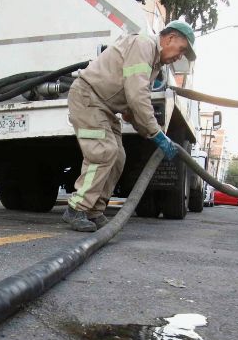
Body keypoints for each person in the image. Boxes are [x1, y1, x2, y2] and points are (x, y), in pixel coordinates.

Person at [63, 20, 196, 232]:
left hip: (105, 107)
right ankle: (76, 207)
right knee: (104, 152)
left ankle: (93, 210)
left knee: (117, 157)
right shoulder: (144, 45)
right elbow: (137, 97)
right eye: (181, 50)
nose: (179, 57)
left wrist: (150, 133)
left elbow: (131, 111)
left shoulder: (153, 62)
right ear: (170, 38)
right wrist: (156, 133)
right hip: (88, 97)